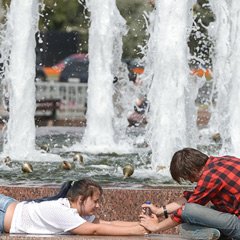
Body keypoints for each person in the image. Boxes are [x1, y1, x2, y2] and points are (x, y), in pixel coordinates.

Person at [140, 148, 240, 240]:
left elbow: (186, 211)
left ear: (193, 171)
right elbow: (192, 197)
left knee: (186, 224)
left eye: (188, 178)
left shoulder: (210, 177)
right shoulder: (223, 161)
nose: (192, 182)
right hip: (233, 218)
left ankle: (214, 234)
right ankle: (215, 234)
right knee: (193, 216)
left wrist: (156, 227)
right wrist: (160, 211)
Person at [0, 178, 147, 235]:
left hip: (8, 206)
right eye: (95, 201)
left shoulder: (73, 210)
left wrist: (143, 224)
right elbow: (95, 230)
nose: (98, 205)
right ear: (81, 199)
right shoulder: (64, 213)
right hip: (3, 214)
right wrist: (138, 230)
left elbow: (109, 223)